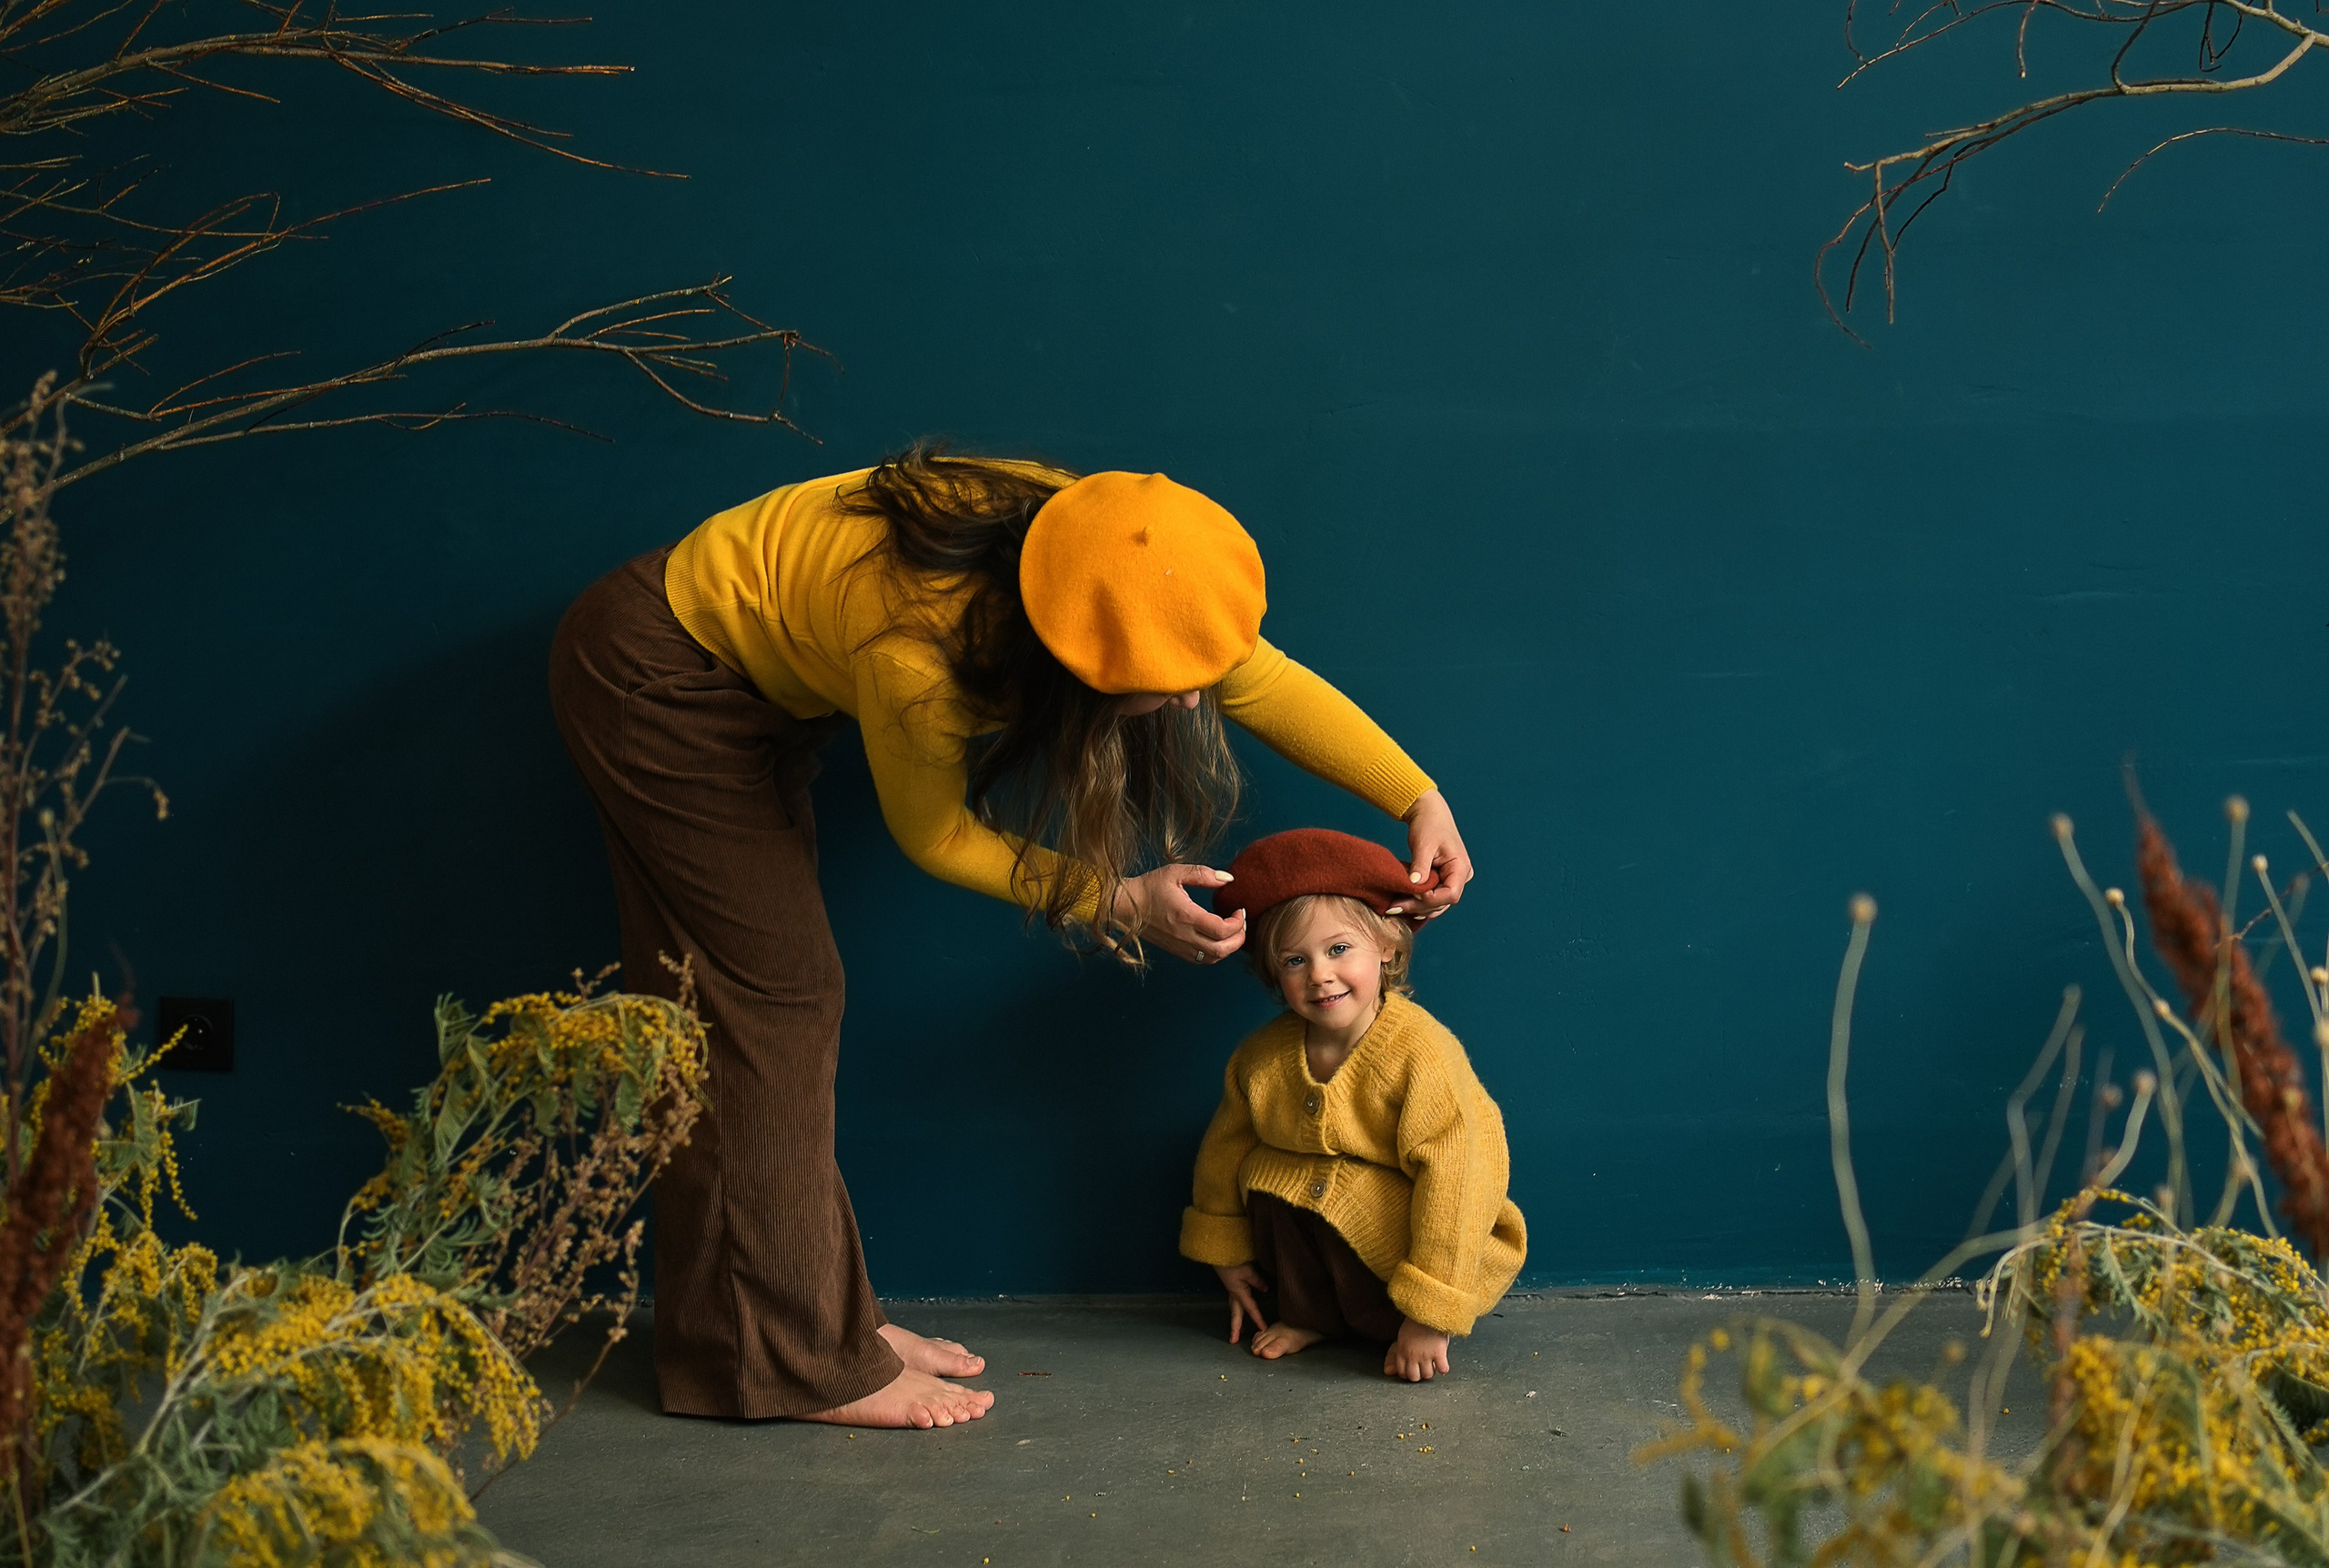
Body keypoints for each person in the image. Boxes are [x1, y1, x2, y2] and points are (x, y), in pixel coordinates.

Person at [548, 448, 1475, 1429]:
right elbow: (935, 833)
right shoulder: (917, 649)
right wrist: (1117, 899)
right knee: (766, 1004)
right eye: (1169, 685)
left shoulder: (1097, 551)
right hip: (660, 676)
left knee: (755, 1006)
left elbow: (1256, 677)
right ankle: (789, 1356)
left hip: (735, 663)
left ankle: (813, 1324)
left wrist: (1416, 794)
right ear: (1076, 667)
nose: (1196, 701)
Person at [1179, 828, 1523, 1382]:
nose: (1320, 974)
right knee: (1264, 1169)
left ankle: (1395, 1321)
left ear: (1385, 946)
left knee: (1409, 1192)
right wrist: (1227, 1251)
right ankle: (1313, 1314)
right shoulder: (1262, 1057)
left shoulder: (1421, 1053)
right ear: (1275, 973)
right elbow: (1224, 1150)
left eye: (1339, 949)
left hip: (1408, 1251)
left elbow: (1461, 1182)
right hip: (1316, 1246)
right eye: (1295, 960)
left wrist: (1430, 1316)